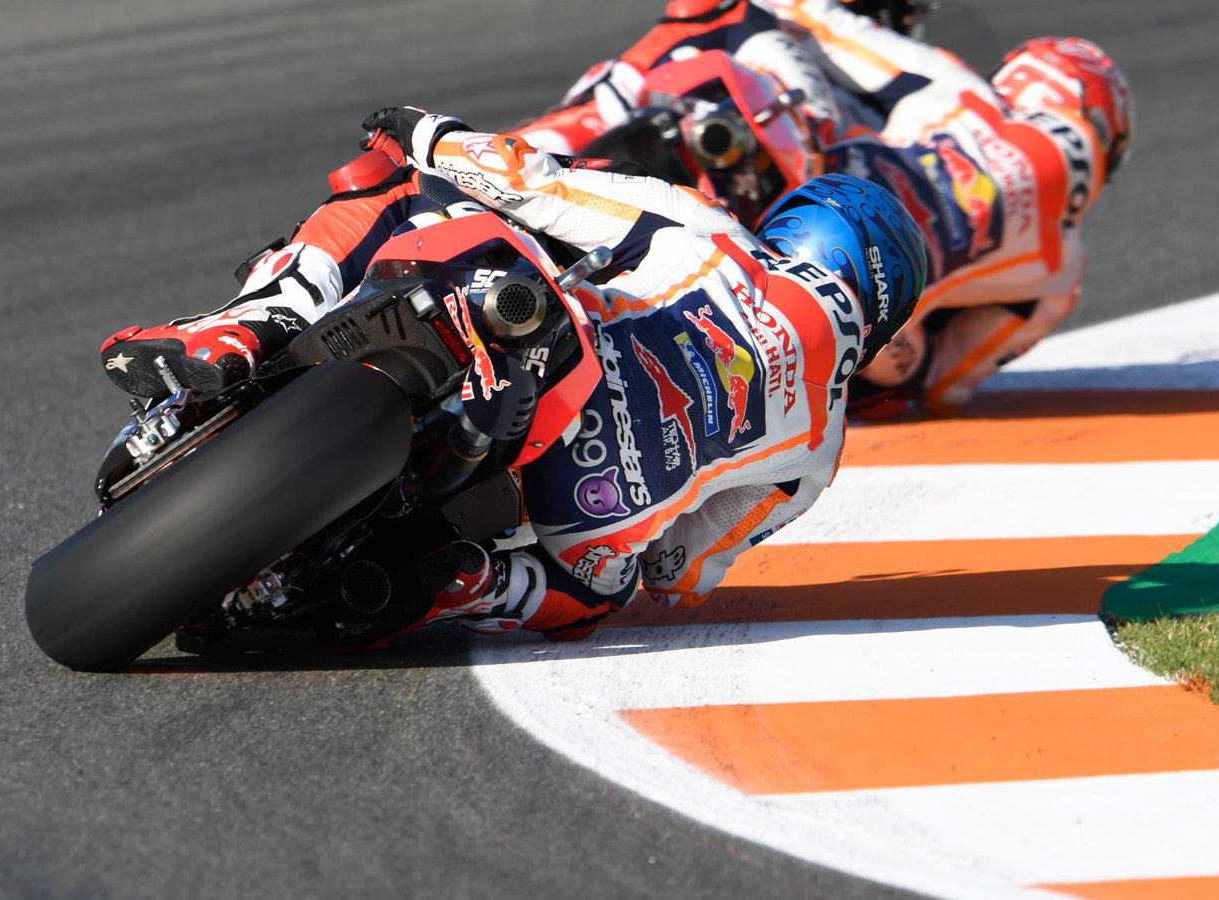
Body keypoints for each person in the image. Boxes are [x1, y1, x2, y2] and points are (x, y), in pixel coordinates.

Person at [99, 108, 928, 645]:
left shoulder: (717, 237)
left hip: (550, 355)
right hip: (588, 513)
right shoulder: (818, 454)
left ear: (799, 226)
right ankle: (466, 584)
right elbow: (679, 571)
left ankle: (237, 332)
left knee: (395, 195)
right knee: (599, 596)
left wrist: (425, 135)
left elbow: (538, 184)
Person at [515, 0, 1132, 416]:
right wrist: (903, 352)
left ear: (1028, 82)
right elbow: (945, 381)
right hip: (848, 306)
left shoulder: (969, 98)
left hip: (811, 178)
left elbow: (823, 21)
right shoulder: (1059, 279)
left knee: (714, 24)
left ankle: (536, 148)